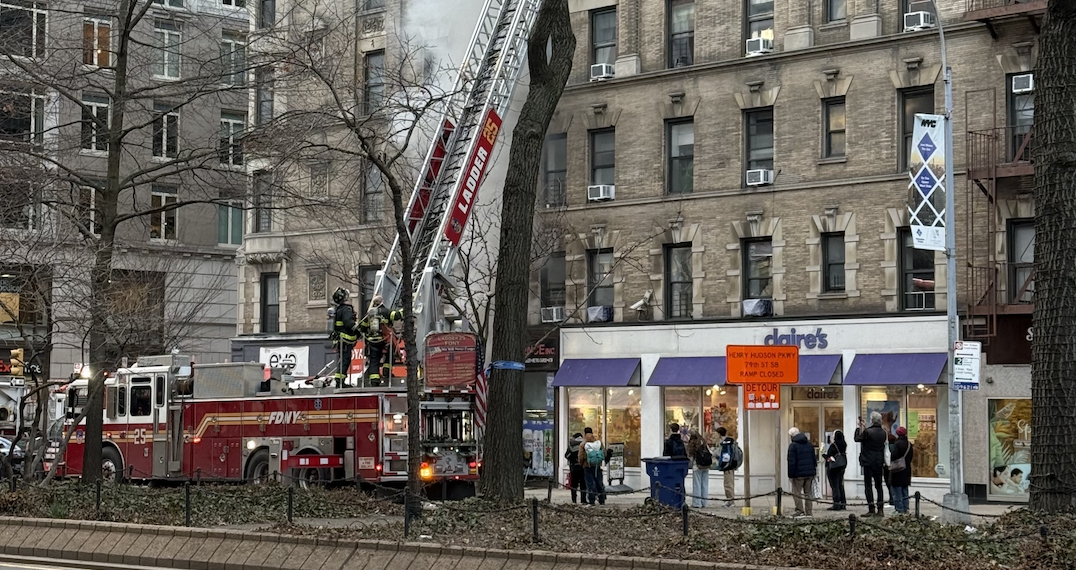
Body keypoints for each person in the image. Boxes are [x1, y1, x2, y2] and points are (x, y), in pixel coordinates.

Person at [357, 295, 405, 387]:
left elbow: (362, 327)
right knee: (390, 354)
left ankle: (374, 380)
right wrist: (405, 309)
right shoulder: (386, 311)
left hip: (372, 341)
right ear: (382, 302)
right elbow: (396, 315)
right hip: (385, 340)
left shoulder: (369, 314)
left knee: (374, 360)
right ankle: (387, 371)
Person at [855, 411, 889, 517]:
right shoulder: (883, 432)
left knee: (868, 486)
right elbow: (872, 437)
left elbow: (857, 438)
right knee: (879, 486)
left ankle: (871, 508)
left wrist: (858, 427)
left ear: (872, 420)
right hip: (879, 462)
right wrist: (865, 427)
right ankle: (880, 509)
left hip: (868, 461)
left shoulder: (868, 432)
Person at [330, 287, 358, 389]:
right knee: (345, 360)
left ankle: (339, 381)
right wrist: (358, 329)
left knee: (342, 360)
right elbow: (349, 323)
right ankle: (340, 382)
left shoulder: (339, 309)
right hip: (345, 340)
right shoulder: (346, 309)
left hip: (340, 340)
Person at [786, 427, 816, 517]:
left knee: (796, 493)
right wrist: (813, 471)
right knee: (808, 493)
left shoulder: (793, 446)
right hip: (809, 473)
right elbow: (814, 459)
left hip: (798, 474)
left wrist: (790, 475)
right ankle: (809, 512)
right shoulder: (809, 444)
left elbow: (791, 462)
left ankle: (799, 510)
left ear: (791, 436)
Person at [578, 427, 606, 506]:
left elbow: (580, 457)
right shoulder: (598, 442)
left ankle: (591, 501)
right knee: (599, 483)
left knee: (590, 483)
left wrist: (581, 464)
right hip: (597, 465)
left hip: (587, 466)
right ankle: (602, 500)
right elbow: (604, 453)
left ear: (584, 434)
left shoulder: (583, 444)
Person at [889, 426, 914, 514]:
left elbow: (894, 456)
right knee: (904, 490)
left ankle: (899, 510)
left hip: (897, 471)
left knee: (897, 491)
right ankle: (906, 508)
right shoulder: (909, 444)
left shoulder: (897, 444)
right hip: (907, 470)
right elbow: (911, 457)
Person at [686, 431, 712, 508]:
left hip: (697, 466)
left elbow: (690, 457)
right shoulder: (704, 443)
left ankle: (697, 503)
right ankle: (704, 502)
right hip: (706, 466)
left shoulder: (693, 444)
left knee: (697, 484)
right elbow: (711, 452)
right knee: (705, 484)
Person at [823, 430, 848, 511]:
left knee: (835, 486)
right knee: (840, 485)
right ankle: (843, 503)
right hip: (841, 466)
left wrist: (824, 455)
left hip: (834, 467)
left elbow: (829, 456)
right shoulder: (844, 444)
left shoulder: (834, 445)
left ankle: (836, 503)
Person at [715, 427, 739, 508]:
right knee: (729, 484)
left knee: (728, 484)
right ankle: (730, 500)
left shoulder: (725, 443)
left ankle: (730, 501)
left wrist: (722, 463)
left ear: (719, 434)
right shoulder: (729, 441)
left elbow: (725, 456)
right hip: (730, 466)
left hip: (728, 467)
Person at [565, 432, 587, 504]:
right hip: (583, 467)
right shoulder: (585, 444)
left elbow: (566, 455)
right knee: (583, 484)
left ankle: (574, 500)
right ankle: (583, 500)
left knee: (574, 485)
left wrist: (572, 459)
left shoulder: (571, 444)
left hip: (574, 467)